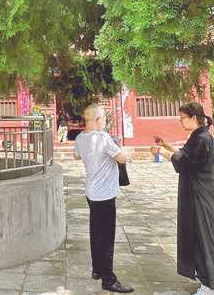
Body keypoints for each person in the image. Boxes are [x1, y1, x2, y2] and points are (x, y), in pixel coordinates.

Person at [151, 102, 214, 295]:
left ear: (194, 117)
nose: (180, 121)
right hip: (200, 196)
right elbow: (186, 154)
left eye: (182, 117)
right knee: (203, 237)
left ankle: (210, 286)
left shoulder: (201, 138)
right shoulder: (200, 136)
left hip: (201, 198)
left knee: (204, 239)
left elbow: (184, 161)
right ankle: (209, 279)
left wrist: (160, 151)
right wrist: (166, 145)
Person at [73, 104, 134, 293]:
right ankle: (109, 280)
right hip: (105, 195)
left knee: (95, 232)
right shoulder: (103, 137)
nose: (105, 121)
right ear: (98, 120)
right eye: (104, 118)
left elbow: (76, 156)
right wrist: (124, 151)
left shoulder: (80, 138)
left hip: (91, 192)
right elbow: (122, 158)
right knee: (107, 238)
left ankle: (97, 269)